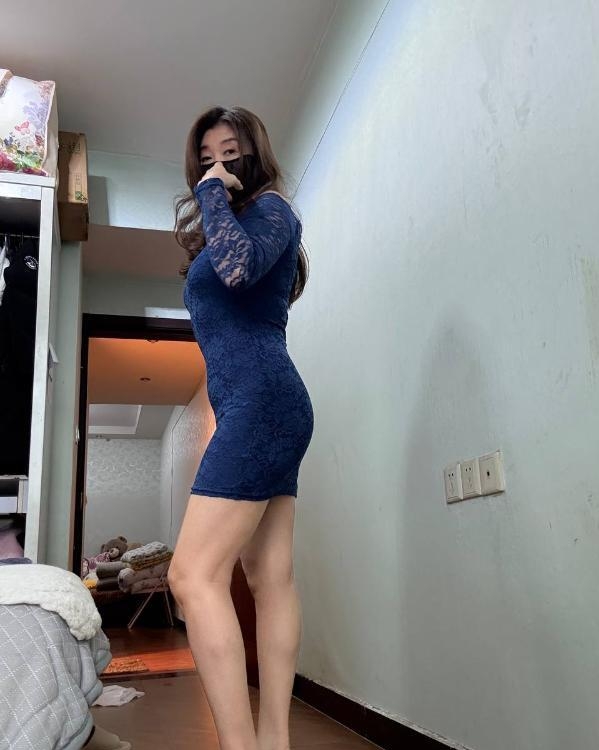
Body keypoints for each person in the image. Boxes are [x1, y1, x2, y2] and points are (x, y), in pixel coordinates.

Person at [169, 105, 314, 750]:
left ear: (253, 153)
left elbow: (236, 269)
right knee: (269, 576)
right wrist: (215, 202)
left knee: (191, 575)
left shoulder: (272, 210)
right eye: (205, 159)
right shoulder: (234, 223)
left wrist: (211, 193)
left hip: (261, 402)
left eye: (230, 153)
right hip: (261, 404)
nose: (217, 166)